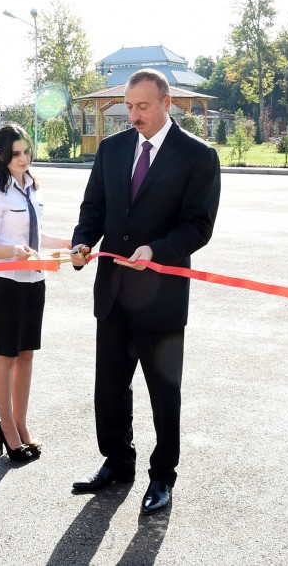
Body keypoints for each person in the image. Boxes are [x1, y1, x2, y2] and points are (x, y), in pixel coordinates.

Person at [69, 68, 221, 515]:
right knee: (110, 389)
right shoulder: (112, 149)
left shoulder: (197, 156)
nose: (133, 115)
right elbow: (93, 208)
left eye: (143, 106)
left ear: (167, 103)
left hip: (162, 297)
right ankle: (118, 463)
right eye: (129, 107)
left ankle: (162, 476)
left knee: (163, 392)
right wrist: (82, 241)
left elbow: (198, 226)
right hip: (113, 292)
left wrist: (159, 249)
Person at [0, 123, 72, 462]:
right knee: (7, 356)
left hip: (34, 280)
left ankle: (20, 422)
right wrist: (13, 252)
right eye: (15, 153)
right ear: (2, 156)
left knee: (27, 354)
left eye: (26, 151)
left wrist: (64, 244)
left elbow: (36, 235)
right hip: (5, 282)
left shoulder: (32, 186)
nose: (23, 158)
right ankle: (6, 426)